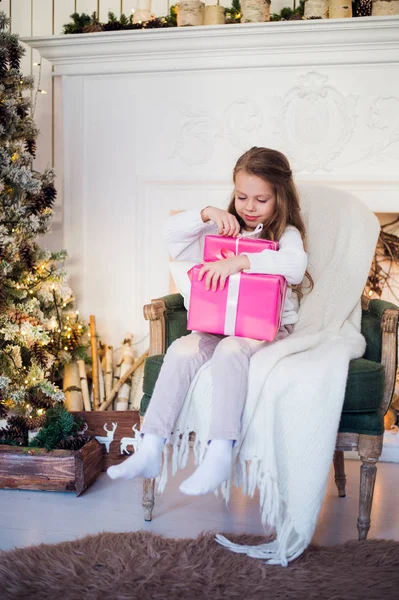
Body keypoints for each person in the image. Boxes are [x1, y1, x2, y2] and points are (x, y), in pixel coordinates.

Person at [107, 147, 310, 495]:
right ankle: (151, 447)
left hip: (265, 327)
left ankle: (219, 453)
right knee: (183, 350)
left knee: (231, 350)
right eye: (242, 196)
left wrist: (240, 262)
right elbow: (170, 236)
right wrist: (205, 213)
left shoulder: (284, 234)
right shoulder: (223, 228)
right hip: (215, 324)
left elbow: (294, 265)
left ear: (280, 197)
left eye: (261, 199)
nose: (249, 206)